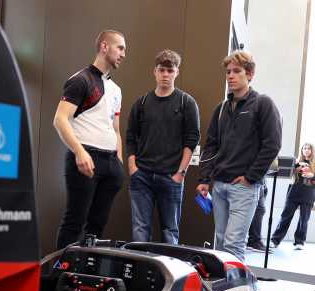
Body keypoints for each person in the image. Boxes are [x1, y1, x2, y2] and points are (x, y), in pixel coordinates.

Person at [197, 50, 282, 262]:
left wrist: (250, 177)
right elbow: (211, 146)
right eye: (228, 72)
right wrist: (205, 179)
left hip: (244, 187)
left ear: (250, 74)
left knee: (234, 244)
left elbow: (272, 145)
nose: (231, 76)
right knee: (221, 241)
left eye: (237, 71)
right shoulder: (221, 108)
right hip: (219, 186)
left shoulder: (263, 104)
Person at [53, 30, 126, 249]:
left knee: (96, 227)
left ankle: (85, 276)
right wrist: (79, 151)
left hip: (111, 164)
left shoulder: (116, 89)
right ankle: (60, 276)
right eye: (120, 48)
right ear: (104, 47)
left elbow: (116, 129)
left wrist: (118, 162)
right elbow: (60, 119)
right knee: (74, 223)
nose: (123, 54)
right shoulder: (80, 80)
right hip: (85, 159)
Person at [126, 49, 200, 244]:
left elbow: (191, 140)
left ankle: (168, 274)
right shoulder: (141, 103)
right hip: (141, 177)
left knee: (170, 232)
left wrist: (180, 174)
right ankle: (141, 272)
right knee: (140, 230)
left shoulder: (187, 102)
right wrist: (133, 167)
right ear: (155, 72)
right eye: (161, 70)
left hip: (171, 177)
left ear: (177, 72)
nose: (165, 75)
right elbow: (131, 137)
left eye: (170, 70)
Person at [271, 143, 315, 250]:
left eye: (309, 148)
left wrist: (312, 175)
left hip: (309, 192)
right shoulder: (296, 162)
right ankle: (275, 240)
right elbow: (289, 175)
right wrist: (296, 168)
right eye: (304, 148)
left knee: (303, 219)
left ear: (312, 151)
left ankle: (299, 242)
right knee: (285, 216)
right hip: (295, 191)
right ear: (302, 150)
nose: (306, 150)